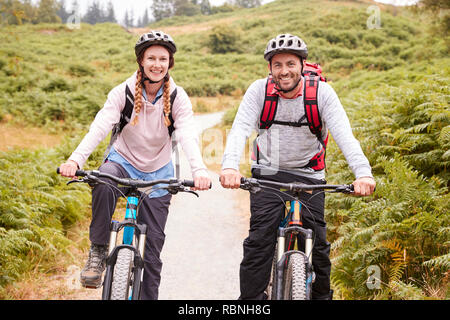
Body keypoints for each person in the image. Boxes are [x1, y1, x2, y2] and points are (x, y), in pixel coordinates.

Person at [220, 34, 376, 300]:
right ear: (270, 68)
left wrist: (363, 173)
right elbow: (239, 131)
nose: (284, 71)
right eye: (277, 65)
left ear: (302, 65)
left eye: (290, 63)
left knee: (320, 249)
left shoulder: (322, 93)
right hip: (267, 175)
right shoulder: (259, 91)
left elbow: (344, 136)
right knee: (259, 245)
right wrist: (230, 167)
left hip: (309, 175)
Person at [59, 31, 211, 300]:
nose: (157, 64)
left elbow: (187, 133)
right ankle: (97, 249)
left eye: (163, 59)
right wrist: (75, 160)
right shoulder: (123, 92)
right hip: (122, 163)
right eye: (151, 58)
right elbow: (100, 126)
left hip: (159, 173)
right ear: (141, 61)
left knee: (151, 256)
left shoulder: (178, 97)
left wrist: (198, 170)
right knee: (104, 179)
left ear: (170, 63)